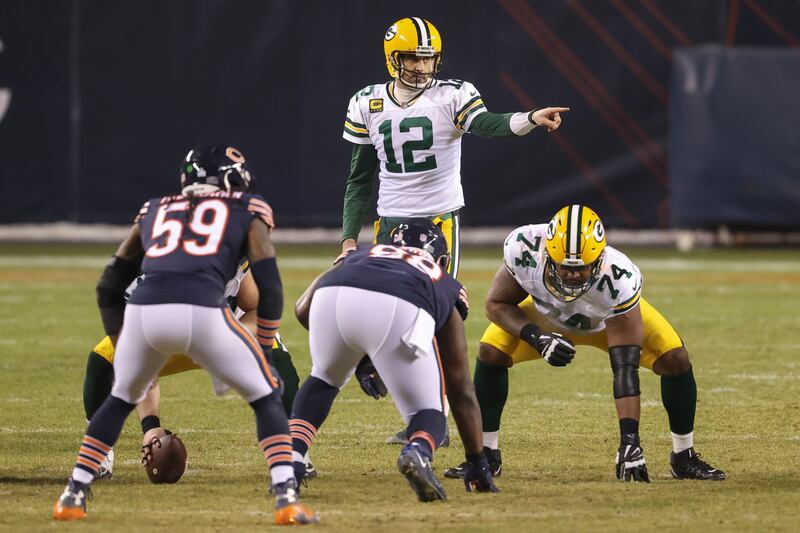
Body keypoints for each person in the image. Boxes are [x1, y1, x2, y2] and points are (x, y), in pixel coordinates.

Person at [53, 145, 317, 525]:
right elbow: (271, 291)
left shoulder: (154, 209)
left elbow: (108, 285)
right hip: (204, 310)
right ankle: (286, 497)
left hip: (145, 312)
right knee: (265, 396)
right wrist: (260, 349)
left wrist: (123, 342)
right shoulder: (248, 209)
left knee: (119, 398)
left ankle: (73, 494)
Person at [340, 16, 569, 444]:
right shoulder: (367, 102)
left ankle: (437, 419)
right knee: (389, 314)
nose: (422, 67)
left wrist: (529, 118)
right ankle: (407, 396)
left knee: (435, 315)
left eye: (428, 59)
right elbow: (359, 179)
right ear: (393, 58)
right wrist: (349, 237)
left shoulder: (452, 95)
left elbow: (488, 124)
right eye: (412, 58)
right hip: (390, 222)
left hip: (438, 222)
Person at [443, 205, 726, 482]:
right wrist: (536, 337)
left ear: (599, 259)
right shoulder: (526, 249)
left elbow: (625, 369)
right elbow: (496, 304)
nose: (573, 275)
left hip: (605, 322)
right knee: (491, 351)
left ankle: (684, 456)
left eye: (582, 268)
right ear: (547, 254)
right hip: (546, 317)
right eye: (565, 267)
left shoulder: (618, 278)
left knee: (675, 358)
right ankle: (485, 455)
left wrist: (630, 441)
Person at [292, 219, 498, 501]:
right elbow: (459, 386)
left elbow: (302, 310)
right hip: (401, 302)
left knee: (323, 380)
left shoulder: (363, 253)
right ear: (441, 259)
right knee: (429, 411)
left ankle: (291, 458)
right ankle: (417, 451)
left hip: (331, 293)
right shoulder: (442, 278)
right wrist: (477, 462)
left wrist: (358, 356)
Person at [82, 263, 311, 480]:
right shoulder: (140, 281)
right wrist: (150, 427)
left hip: (224, 334)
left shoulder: (226, 254)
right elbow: (141, 359)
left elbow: (255, 308)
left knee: (276, 359)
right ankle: (99, 450)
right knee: (102, 360)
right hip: (169, 343)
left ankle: (294, 449)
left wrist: (236, 336)